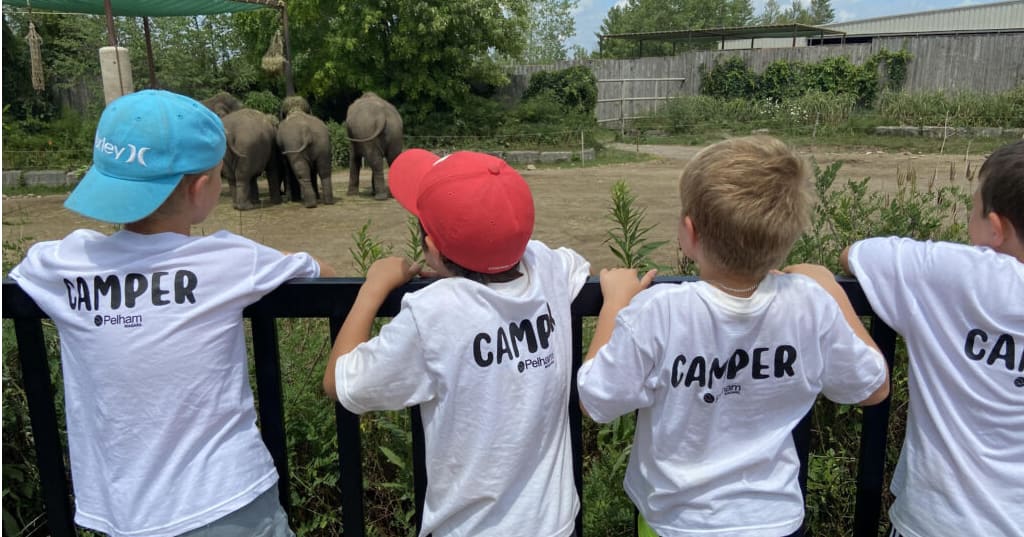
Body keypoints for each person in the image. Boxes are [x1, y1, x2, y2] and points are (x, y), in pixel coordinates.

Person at [9, 89, 335, 537]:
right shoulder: (230, 259)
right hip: (227, 499)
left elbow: (29, 264)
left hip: (123, 513)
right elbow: (322, 273)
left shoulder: (63, 262)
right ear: (201, 190)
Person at [576, 136, 890, 537]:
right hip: (775, 521)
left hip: (677, 523)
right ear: (786, 239)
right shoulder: (808, 304)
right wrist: (830, 290)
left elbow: (597, 399)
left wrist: (615, 305)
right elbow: (873, 387)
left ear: (689, 232)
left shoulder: (659, 311)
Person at [323, 149, 589, 537]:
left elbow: (339, 382)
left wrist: (373, 289)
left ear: (431, 248)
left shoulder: (432, 313)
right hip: (554, 524)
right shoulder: (546, 267)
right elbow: (574, 265)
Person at [840, 140, 1024, 537]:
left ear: (995, 228)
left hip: (936, 523)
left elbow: (855, 254)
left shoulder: (956, 274)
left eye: (973, 209)